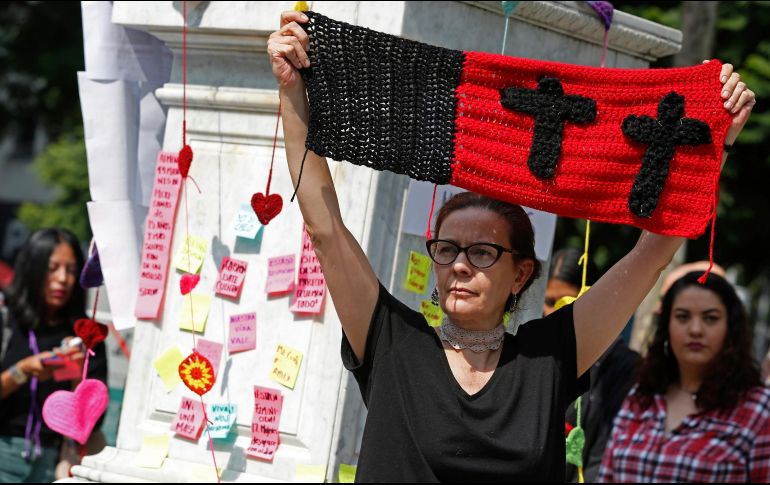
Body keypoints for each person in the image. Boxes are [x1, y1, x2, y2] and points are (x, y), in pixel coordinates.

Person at [267, 10, 755, 481]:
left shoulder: (550, 356)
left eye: (482, 253)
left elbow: (650, 257)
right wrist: (292, 91)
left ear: (522, 273)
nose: (459, 265)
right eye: (447, 249)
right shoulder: (392, 342)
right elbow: (325, 228)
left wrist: (717, 144)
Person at [598, 272, 770, 482]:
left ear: (731, 328)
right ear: (667, 326)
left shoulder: (757, 409)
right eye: (682, 317)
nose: (695, 330)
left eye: (710, 318)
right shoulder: (642, 397)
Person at [0, 229, 107, 483]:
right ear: (33, 269)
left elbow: (92, 420)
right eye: (52, 268)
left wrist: (77, 374)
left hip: (54, 461)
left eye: (71, 270)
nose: (63, 279)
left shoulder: (85, 335)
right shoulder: (6, 319)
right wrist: (23, 370)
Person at [546, 248, 639, 482]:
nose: (555, 311)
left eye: (568, 300)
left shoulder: (625, 367)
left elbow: (606, 457)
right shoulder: (532, 354)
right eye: (548, 301)